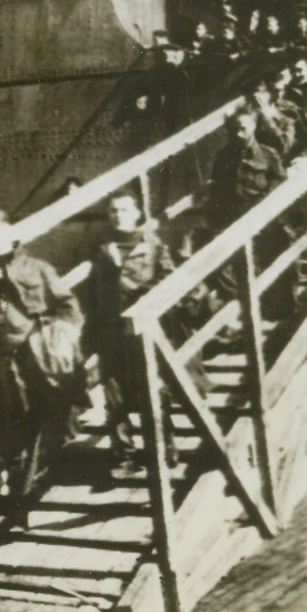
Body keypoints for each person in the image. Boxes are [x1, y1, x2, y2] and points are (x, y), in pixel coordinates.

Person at [0, 209, 83, 527]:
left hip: (30, 360)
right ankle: (18, 488)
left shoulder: (37, 269)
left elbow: (68, 306)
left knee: (31, 427)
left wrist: (64, 334)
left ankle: (20, 502)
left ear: (12, 236)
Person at [85, 191, 176, 478]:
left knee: (153, 390)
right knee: (113, 393)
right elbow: (91, 289)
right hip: (110, 330)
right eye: (113, 211)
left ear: (136, 213)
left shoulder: (153, 246)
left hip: (143, 329)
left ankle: (162, 450)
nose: (118, 215)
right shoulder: (102, 248)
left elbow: (168, 277)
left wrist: (142, 299)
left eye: (124, 210)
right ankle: (123, 456)